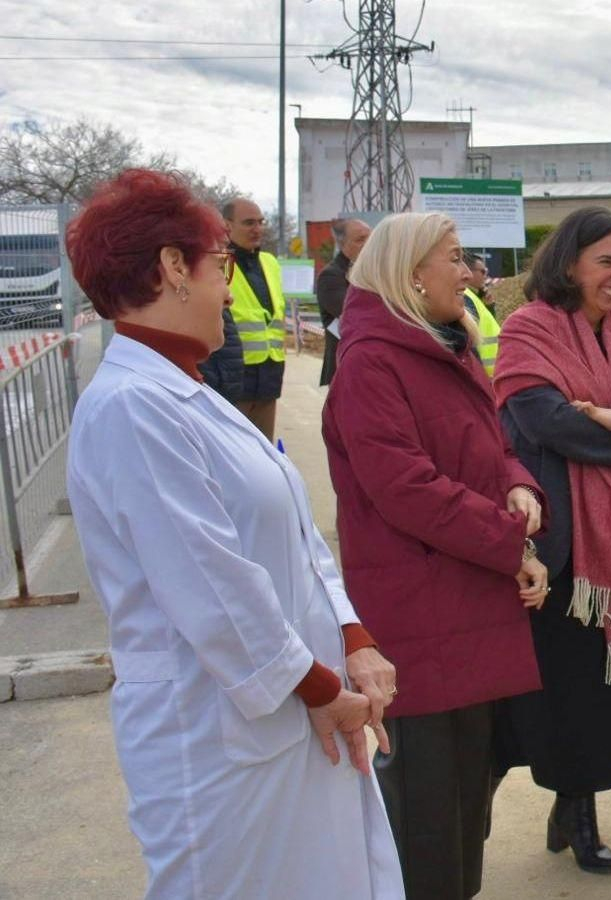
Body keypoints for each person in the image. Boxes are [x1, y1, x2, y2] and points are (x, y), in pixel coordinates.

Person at [63, 168, 403, 897]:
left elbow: (297, 540)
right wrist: (319, 687)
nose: (229, 289)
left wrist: (352, 638)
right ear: (172, 267)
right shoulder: (132, 408)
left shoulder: (191, 391)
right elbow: (212, 583)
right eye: (220, 266)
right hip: (215, 737)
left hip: (286, 714)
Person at [322, 211, 550, 900]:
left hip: (465, 599)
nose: (467, 272)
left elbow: (493, 444)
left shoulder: (446, 346)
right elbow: (407, 489)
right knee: (426, 807)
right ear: (412, 273)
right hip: (420, 613)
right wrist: (510, 542)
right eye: (453, 257)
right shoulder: (372, 363)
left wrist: (517, 483)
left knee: (464, 800)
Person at [492, 206, 611, 874]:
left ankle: (576, 812)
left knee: (603, 692)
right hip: (562, 540)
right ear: (568, 263)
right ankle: (521, 808)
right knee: (557, 689)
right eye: (606, 261)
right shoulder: (528, 328)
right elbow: (546, 423)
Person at [215, 197, 288, 438]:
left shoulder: (270, 262)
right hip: (235, 375)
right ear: (227, 225)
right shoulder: (219, 263)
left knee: (264, 448)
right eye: (249, 223)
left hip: (269, 374)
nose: (257, 229)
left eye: (260, 222)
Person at [315, 216, 373, 386]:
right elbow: (355, 313)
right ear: (342, 244)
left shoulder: (375, 273)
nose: (368, 244)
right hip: (345, 362)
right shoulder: (331, 276)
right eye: (360, 239)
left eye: (371, 238)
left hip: (373, 361)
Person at [462, 251, 502, 377]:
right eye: (483, 271)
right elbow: (469, 345)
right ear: (469, 272)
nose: (486, 275)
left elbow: (484, 329)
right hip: (486, 377)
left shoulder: (473, 297)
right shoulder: (465, 298)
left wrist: (489, 307)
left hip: (492, 375)